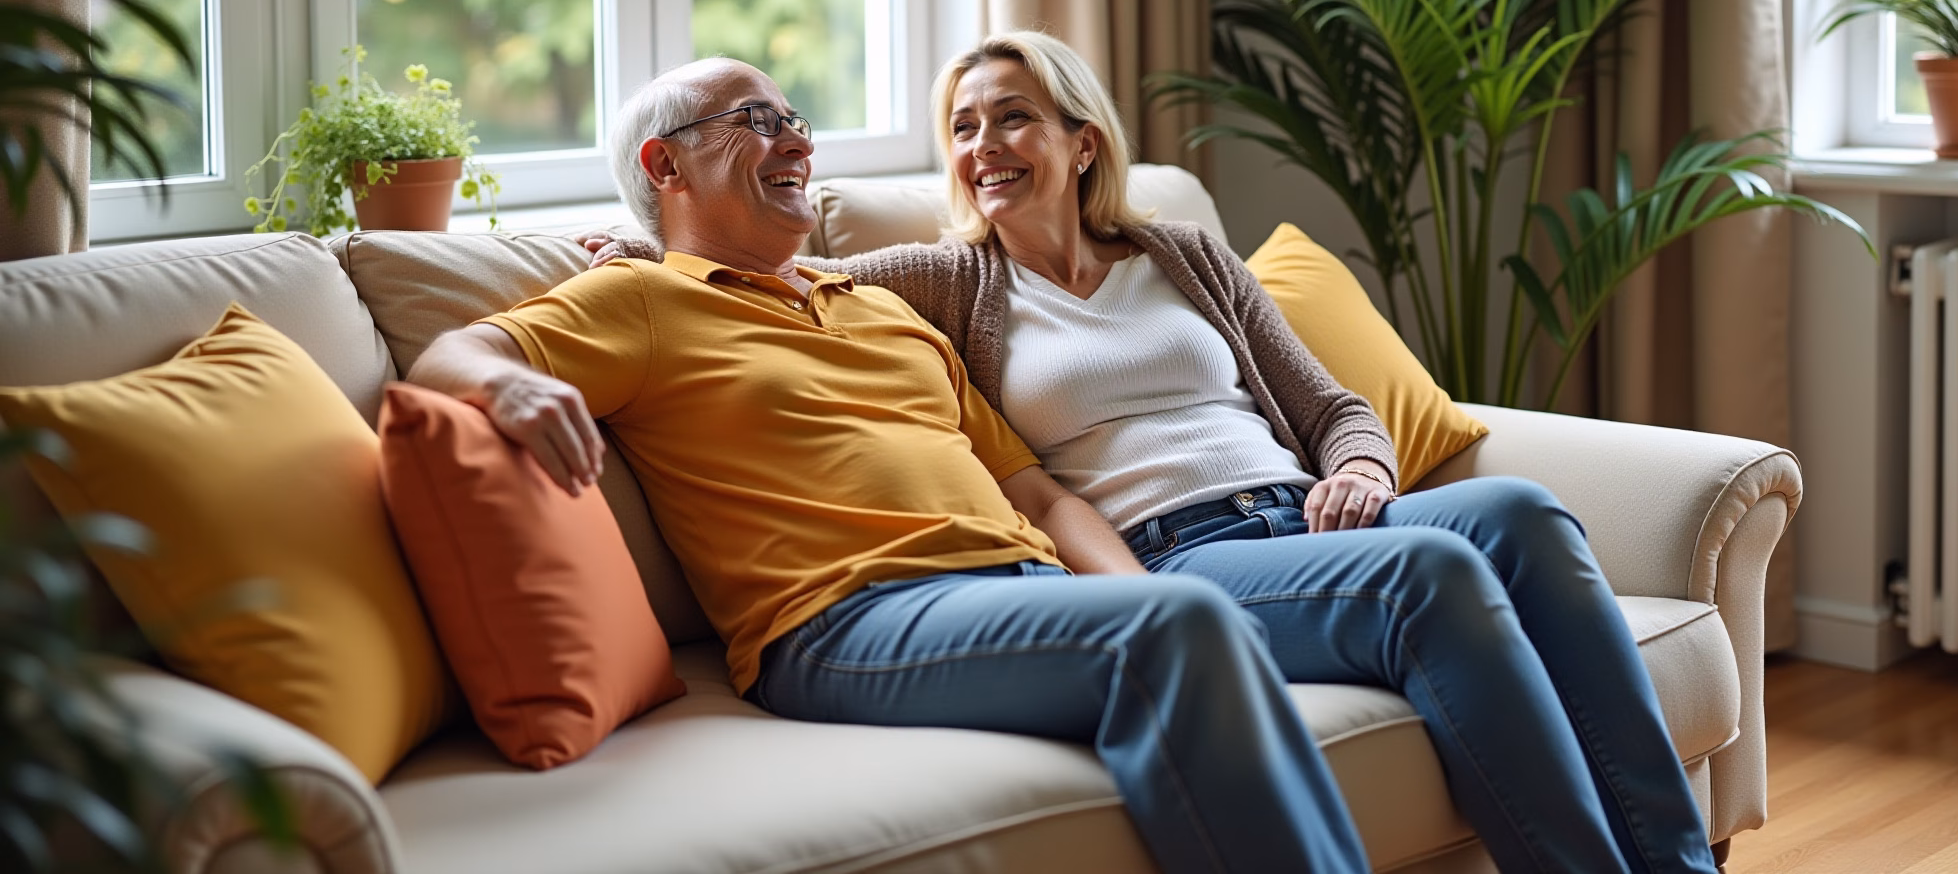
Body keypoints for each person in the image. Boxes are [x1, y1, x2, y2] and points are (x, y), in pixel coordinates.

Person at [588, 32, 1720, 874]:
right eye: (965, 128)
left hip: (1304, 510)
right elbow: (781, 294)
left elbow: (1328, 406)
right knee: (1428, 576)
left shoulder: (1182, 254)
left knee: (1520, 513)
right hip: (1180, 551)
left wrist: (1365, 467)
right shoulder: (936, 280)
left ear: (1082, 142)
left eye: (1012, 117)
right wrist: (626, 244)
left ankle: (1672, 865)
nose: (984, 147)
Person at [411, 56, 1376, 874]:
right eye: (757, 121)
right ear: (665, 166)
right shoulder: (636, 298)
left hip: (1016, 586)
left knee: (1181, 620)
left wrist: (1138, 593)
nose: (796, 140)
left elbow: (1030, 488)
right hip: (843, 616)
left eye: (796, 119)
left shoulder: (875, 307)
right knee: (1175, 630)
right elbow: (448, 357)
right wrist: (516, 390)